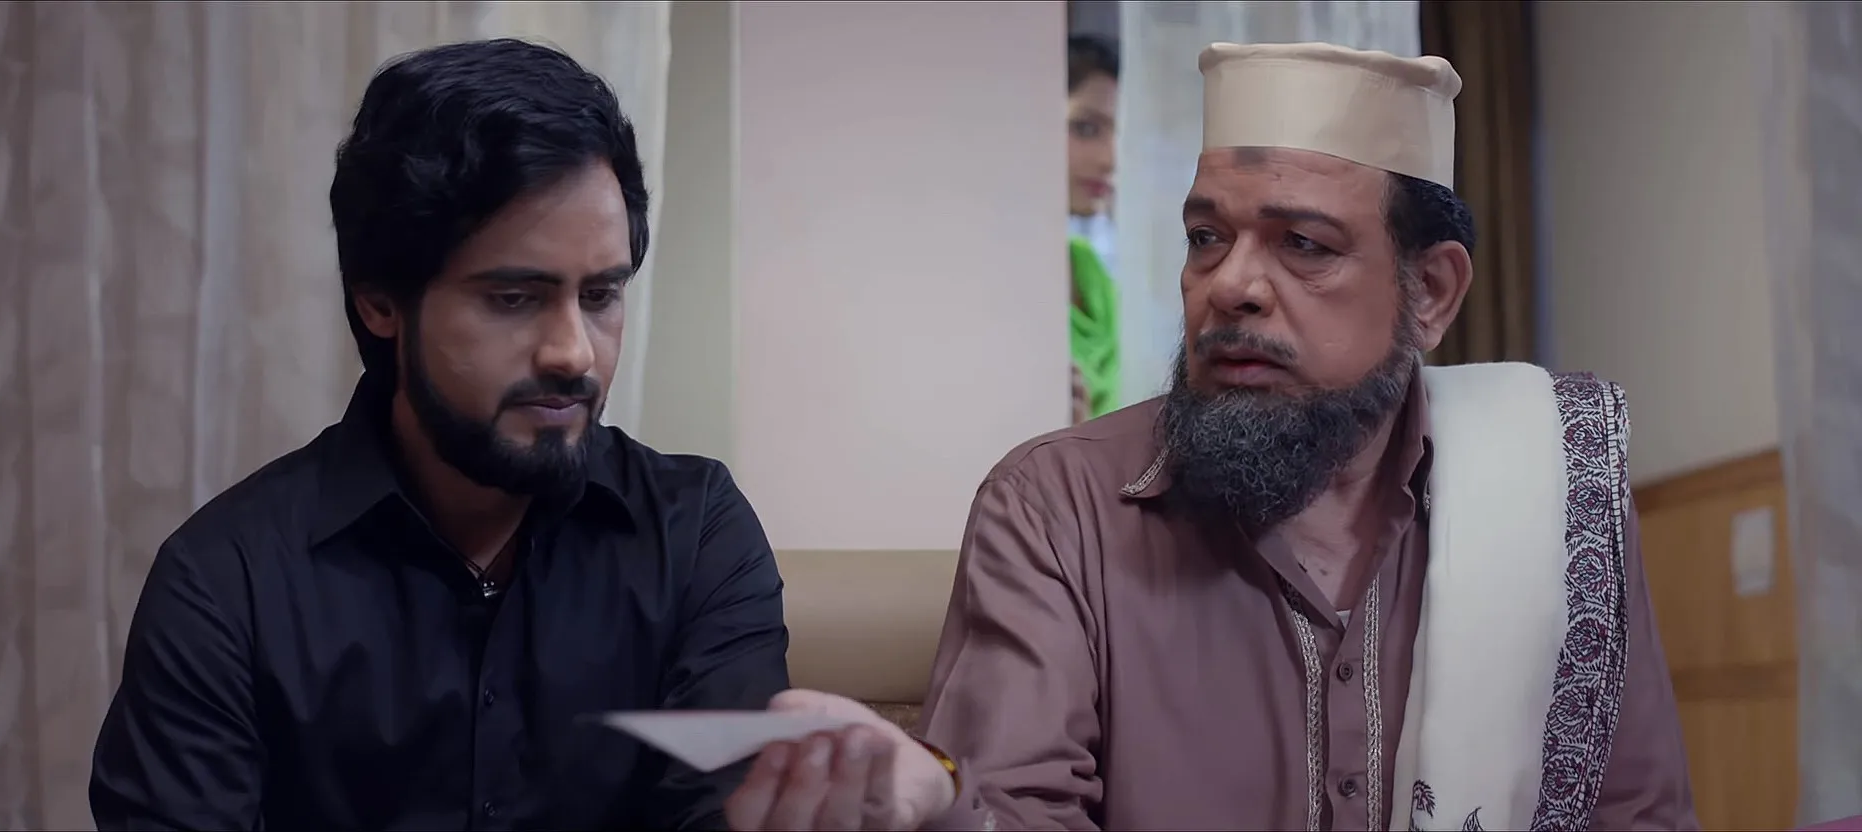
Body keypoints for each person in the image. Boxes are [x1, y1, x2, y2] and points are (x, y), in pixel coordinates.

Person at [724, 42, 1698, 831]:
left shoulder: (1546, 500)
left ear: (1432, 291)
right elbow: (1009, 808)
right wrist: (937, 804)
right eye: (1205, 237)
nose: (1230, 284)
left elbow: (1637, 815)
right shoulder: (1057, 508)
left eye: (1303, 244)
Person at [89, 39, 789, 830]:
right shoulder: (228, 583)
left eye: (600, 295)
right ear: (380, 303)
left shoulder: (694, 536)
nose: (573, 352)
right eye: (514, 298)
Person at [1067, 35, 1121, 424]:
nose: (1109, 159)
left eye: (1117, 134)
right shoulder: (997, 287)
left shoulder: (1090, 271)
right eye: (1086, 129)